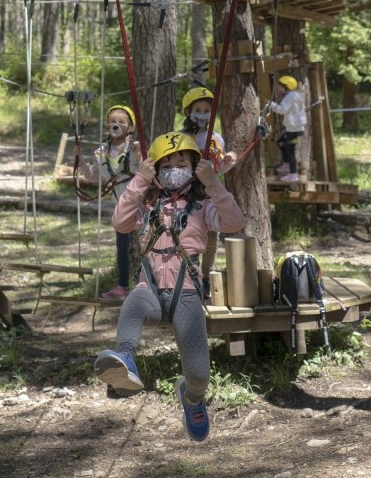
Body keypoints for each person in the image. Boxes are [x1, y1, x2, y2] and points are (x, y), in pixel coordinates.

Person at [93, 132, 245, 441]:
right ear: (157, 170)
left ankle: (192, 398)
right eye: (166, 163)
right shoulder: (147, 204)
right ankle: (126, 358)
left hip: (185, 292)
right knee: (133, 304)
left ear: (193, 167)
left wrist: (213, 183)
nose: (174, 167)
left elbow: (234, 223)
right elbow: (120, 223)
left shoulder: (203, 206)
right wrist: (139, 180)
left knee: (200, 374)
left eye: (181, 161)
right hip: (148, 288)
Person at [76, 105, 142, 299]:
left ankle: (150, 284)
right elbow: (92, 177)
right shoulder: (101, 153)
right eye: (112, 121)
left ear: (130, 127)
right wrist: (79, 161)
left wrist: (140, 157)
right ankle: (122, 286)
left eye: (121, 122)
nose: (116, 125)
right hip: (120, 207)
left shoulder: (135, 148)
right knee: (121, 246)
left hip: (140, 204)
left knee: (149, 243)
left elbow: (146, 171)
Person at [181, 86, 237, 298]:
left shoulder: (216, 139)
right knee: (190, 232)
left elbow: (220, 167)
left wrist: (229, 158)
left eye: (207, 110)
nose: (202, 114)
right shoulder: (181, 138)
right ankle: (190, 273)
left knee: (212, 234)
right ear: (188, 111)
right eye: (198, 109)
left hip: (209, 193)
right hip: (188, 192)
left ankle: (206, 275)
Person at [270, 75, 306, 183]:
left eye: (280, 87)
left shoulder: (290, 97)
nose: (277, 88)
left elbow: (283, 110)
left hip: (293, 129)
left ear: (286, 87)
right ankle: (286, 164)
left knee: (290, 150)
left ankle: (293, 174)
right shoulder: (296, 96)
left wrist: (271, 105)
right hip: (295, 128)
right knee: (281, 142)